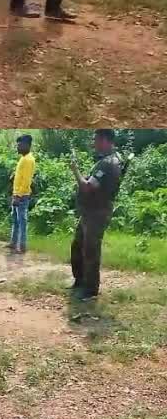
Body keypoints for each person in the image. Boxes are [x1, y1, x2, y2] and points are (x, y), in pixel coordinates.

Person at [67, 129, 125, 301]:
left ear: (105, 140)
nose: (94, 143)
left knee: (90, 250)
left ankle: (90, 290)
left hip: (96, 213)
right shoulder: (111, 160)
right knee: (78, 245)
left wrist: (75, 170)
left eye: (96, 140)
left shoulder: (107, 163)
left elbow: (87, 187)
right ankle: (80, 281)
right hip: (91, 211)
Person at [10, 134, 35, 254]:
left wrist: (18, 196)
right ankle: (13, 243)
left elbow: (26, 180)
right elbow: (21, 176)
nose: (18, 147)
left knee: (22, 221)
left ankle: (22, 246)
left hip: (21, 195)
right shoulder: (23, 158)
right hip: (16, 193)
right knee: (15, 219)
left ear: (27, 145)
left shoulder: (28, 160)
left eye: (20, 145)